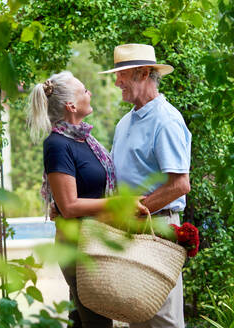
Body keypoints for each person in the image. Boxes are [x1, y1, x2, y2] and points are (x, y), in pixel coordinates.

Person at [100, 44, 192, 328]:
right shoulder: (124, 123)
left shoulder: (165, 120)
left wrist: (135, 212)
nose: (116, 83)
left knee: (162, 320)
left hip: (158, 230)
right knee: (138, 316)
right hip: (132, 230)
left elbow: (180, 185)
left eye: (121, 75)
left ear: (142, 73)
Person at [26, 71, 116, 328]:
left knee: (82, 320)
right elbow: (69, 206)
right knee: (97, 322)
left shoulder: (85, 139)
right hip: (77, 248)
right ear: (71, 105)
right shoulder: (57, 144)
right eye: (84, 90)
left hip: (93, 242)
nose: (90, 93)